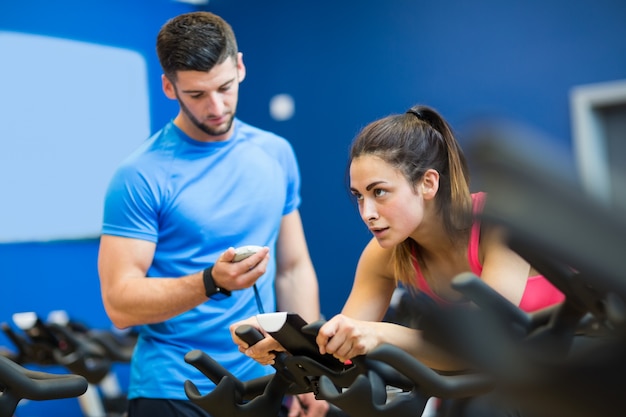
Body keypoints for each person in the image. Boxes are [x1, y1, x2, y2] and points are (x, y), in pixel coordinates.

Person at [234, 104, 565, 414]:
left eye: (379, 192)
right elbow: (339, 352)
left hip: (580, 370)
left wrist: (379, 334)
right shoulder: (384, 255)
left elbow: (480, 341)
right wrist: (286, 345)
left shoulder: (496, 223)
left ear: (428, 183)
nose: (367, 213)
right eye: (359, 197)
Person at [97, 11, 328, 417]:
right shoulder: (140, 175)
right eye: (197, 94)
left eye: (225, 87)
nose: (217, 106)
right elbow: (119, 303)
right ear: (170, 87)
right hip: (173, 388)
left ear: (240, 66)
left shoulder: (275, 153)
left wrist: (307, 369)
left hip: (264, 382)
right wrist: (210, 281)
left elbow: (292, 267)